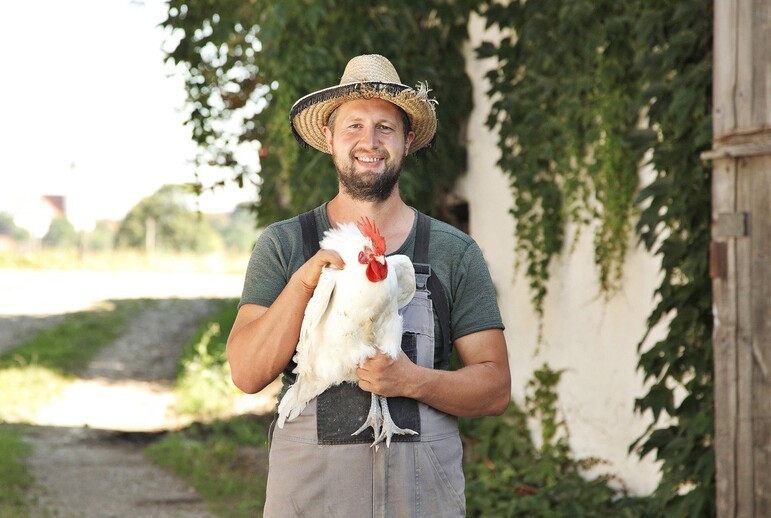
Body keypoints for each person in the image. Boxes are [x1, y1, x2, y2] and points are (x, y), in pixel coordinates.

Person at [227, 54, 511, 517]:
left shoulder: (453, 252)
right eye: (354, 126)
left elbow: (495, 387)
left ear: (407, 139)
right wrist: (304, 283)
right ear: (330, 137)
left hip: (420, 496)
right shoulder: (284, 245)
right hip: (312, 495)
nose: (369, 141)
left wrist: (412, 381)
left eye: (385, 127)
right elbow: (247, 373)